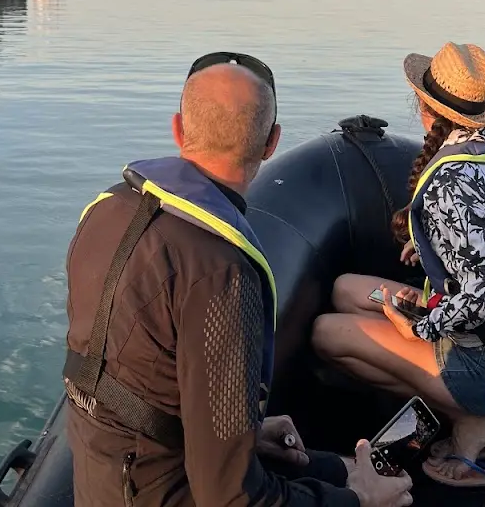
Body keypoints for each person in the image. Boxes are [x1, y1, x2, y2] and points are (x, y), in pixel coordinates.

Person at [65, 53, 414, 507]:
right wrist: (359, 501)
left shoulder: (106, 211)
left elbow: (143, 379)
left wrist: (244, 433)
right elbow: (231, 500)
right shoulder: (221, 273)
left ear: (178, 128)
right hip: (164, 492)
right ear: (272, 144)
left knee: (330, 465)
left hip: (107, 479)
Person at [312, 42, 485, 490]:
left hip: (483, 358)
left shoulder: (450, 184)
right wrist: (431, 248)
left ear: (424, 106)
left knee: (327, 332)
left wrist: (420, 328)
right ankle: (472, 413)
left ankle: (479, 420)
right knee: (346, 289)